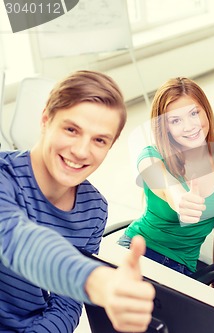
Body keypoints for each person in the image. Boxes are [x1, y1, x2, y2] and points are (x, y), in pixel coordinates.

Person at [0, 70, 155, 332]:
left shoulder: (94, 209)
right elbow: (18, 241)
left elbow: (67, 304)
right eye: (72, 129)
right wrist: (98, 282)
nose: (81, 151)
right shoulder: (4, 177)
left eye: (99, 140)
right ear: (46, 120)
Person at [118, 77, 214, 276]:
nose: (189, 126)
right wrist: (178, 197)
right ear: (165, 127)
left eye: (194, 113)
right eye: (175, 120)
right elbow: (164, 184)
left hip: (182, 267)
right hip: (136, 251)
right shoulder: (152, 155)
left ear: (206, 111)